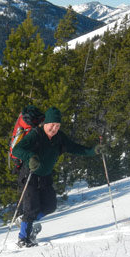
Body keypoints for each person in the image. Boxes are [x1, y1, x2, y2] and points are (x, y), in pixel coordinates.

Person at [12, 106, 102, 247]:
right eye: (52, 125)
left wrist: (93, 151)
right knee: (31, 209)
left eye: (57, 125)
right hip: (30, 175)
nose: (54, 128)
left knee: (50, 206)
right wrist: (30, 157)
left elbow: (75, 147)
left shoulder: (59, 138)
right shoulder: (35, 134)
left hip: (45, 176)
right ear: (45, 123)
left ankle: (24, 220)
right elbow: (17, 149)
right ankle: (23, 239)